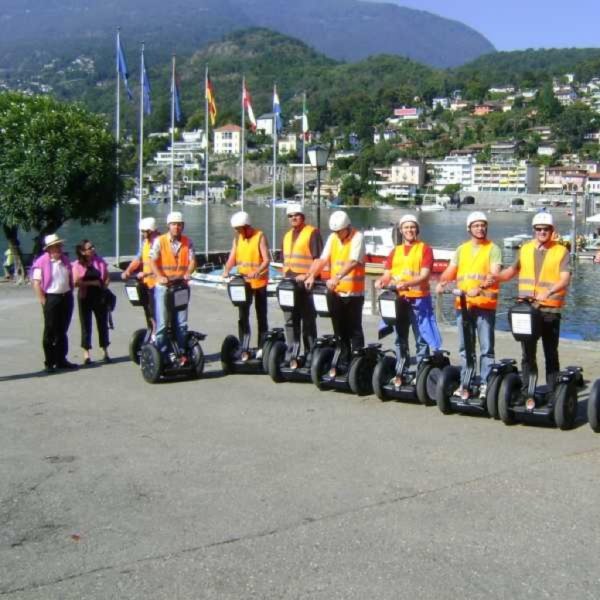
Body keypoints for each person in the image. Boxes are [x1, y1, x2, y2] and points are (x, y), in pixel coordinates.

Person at [496, 212, 571, 392]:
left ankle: (554, 392)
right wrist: (494, 278)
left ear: (552, 231)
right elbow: (511, 271)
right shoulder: (525, 249)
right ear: (534, 230)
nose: (542, 232)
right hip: (527, 310)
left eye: (546, 229)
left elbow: (565, 279)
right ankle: (526, 390)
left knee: (550, 353)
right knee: (527, 354)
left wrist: (549, 291)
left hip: (550, 311)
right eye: (539, 229)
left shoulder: (561, 251)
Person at [436, 211, 501, 400]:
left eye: (483, 225)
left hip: (484, 304)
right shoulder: (461, 249)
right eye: (476, 225)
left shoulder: (493, 249)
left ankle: (485, 383)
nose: (480, 228)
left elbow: (494, 274)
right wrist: (442, 283)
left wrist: (479, 287)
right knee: (465, 347)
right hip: (463, 305)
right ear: (469, 228)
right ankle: (467, 380)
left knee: (486, 348)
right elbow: (450, 271)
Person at [375, 214, 442, 383]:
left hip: (419, 300)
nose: (409, 230)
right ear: (401, 230)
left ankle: (422, 373)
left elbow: (425, 275)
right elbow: (387, 274)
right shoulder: (395, 251)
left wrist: (406, 284)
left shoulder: (425, 249)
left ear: (417, 229)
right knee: (399, 338)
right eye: (406, 227)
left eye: (412, 227)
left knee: (421, 338)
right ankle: (401, 370)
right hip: (399, 301)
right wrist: (381, 281)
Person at [305, 210, 366, 367]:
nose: (337, 234)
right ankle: (343, 358)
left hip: (353, 293)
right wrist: (312, 274)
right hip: (335, 292)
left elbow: (353, 261)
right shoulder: (333, 238)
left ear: (347, 227)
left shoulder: (357, 237)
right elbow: (323, 259)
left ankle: (358, 361)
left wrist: (336, 277)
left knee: (354, 329)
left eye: (340, 231)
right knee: (339, 328)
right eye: (335, 232)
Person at [150, 212, 196, 362]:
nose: (177, 227)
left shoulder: (187, 242)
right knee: (163, 323)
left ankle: (181, 353)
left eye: (179, 224)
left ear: (182, 226)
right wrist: (159, 276)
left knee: (181, 323)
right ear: (168, 226)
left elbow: (192, 261)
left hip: (181, 286)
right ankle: (161, 355)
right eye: (174, 224)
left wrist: (188, 272)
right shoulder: (159, 241)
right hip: (164, 286)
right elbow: (152, 261)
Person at [222, 211, 270, 354]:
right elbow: (232, 257)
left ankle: (262, 346)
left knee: (261, 314)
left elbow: (267, 259)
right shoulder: (237, 239)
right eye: (236, 229)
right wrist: (226, 270)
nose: (237, 231)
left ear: (246, 226)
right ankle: (244, 344)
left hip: (259, 281)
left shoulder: (259, 236)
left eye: (239, 229)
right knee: (243, 314)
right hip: (244, 281)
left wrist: (257, 270)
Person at [31, 234, 77, 373]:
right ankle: (49, 362)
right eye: (56, 246)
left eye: (60, 245)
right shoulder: (41, 262)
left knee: (62, 330)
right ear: (49, 248)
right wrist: (43, 300)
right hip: (52, 298)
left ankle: (61, 359)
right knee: (50, 331)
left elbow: (70, 277)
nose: (59, 248)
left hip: (66, 297)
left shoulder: (65, 260)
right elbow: (36, 283)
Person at [281, 203, 323, 357]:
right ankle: (292, 353)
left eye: (296, 215)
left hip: (306, 285)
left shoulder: (312, 233)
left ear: (302, 216)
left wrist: (308, 275)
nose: (293, 218)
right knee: (290, 319)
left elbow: (318, 259)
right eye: (290, 216)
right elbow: (285, 260)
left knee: (308, 321)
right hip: (289, 284)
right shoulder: (286, 236)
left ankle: (311, 354)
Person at [72, 239, 111, 365]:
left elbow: (107, 277)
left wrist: (105, 285)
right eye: (90, 248)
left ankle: (105, 351)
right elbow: (75, 282)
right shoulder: (77, 264)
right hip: (85, 296)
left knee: (102, 323)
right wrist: (92, 283)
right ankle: (86, 353)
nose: (93, 249)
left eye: (93, 247)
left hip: (99, 295)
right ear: (83, 252)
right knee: (85, 324)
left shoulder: (99, 261)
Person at [121, 217, 160, 333]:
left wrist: (147, 273)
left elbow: (164, 265)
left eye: (143, 231)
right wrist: (127, 271)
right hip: (147, 284)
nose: (142, 234)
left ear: (150, 231)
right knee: (148, 311)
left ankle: (156, 336)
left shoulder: (161, 242)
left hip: (158, 285)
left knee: (156, 313)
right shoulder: (145, 243)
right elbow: (138, 259)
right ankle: (152, 333)